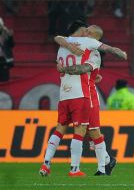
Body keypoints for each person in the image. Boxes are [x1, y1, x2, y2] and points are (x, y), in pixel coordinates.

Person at [39, 22, 126, 177]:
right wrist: (65, 43)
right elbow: (59, 38)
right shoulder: (76, 44)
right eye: (85, 29)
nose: (86, 32)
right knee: (88, 132)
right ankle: (104, 161)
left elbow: (86, 68)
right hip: (80, 92)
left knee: (93, 131)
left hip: (88, 92)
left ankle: (102, 167)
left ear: (93, 36)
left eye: (89, 31)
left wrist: (66, 65)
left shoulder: (94, 52)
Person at [0, 17, 14, 82]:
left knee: (4, 81)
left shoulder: (6, 34)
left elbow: (11, 45)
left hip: (4, 60)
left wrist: (10, 37)